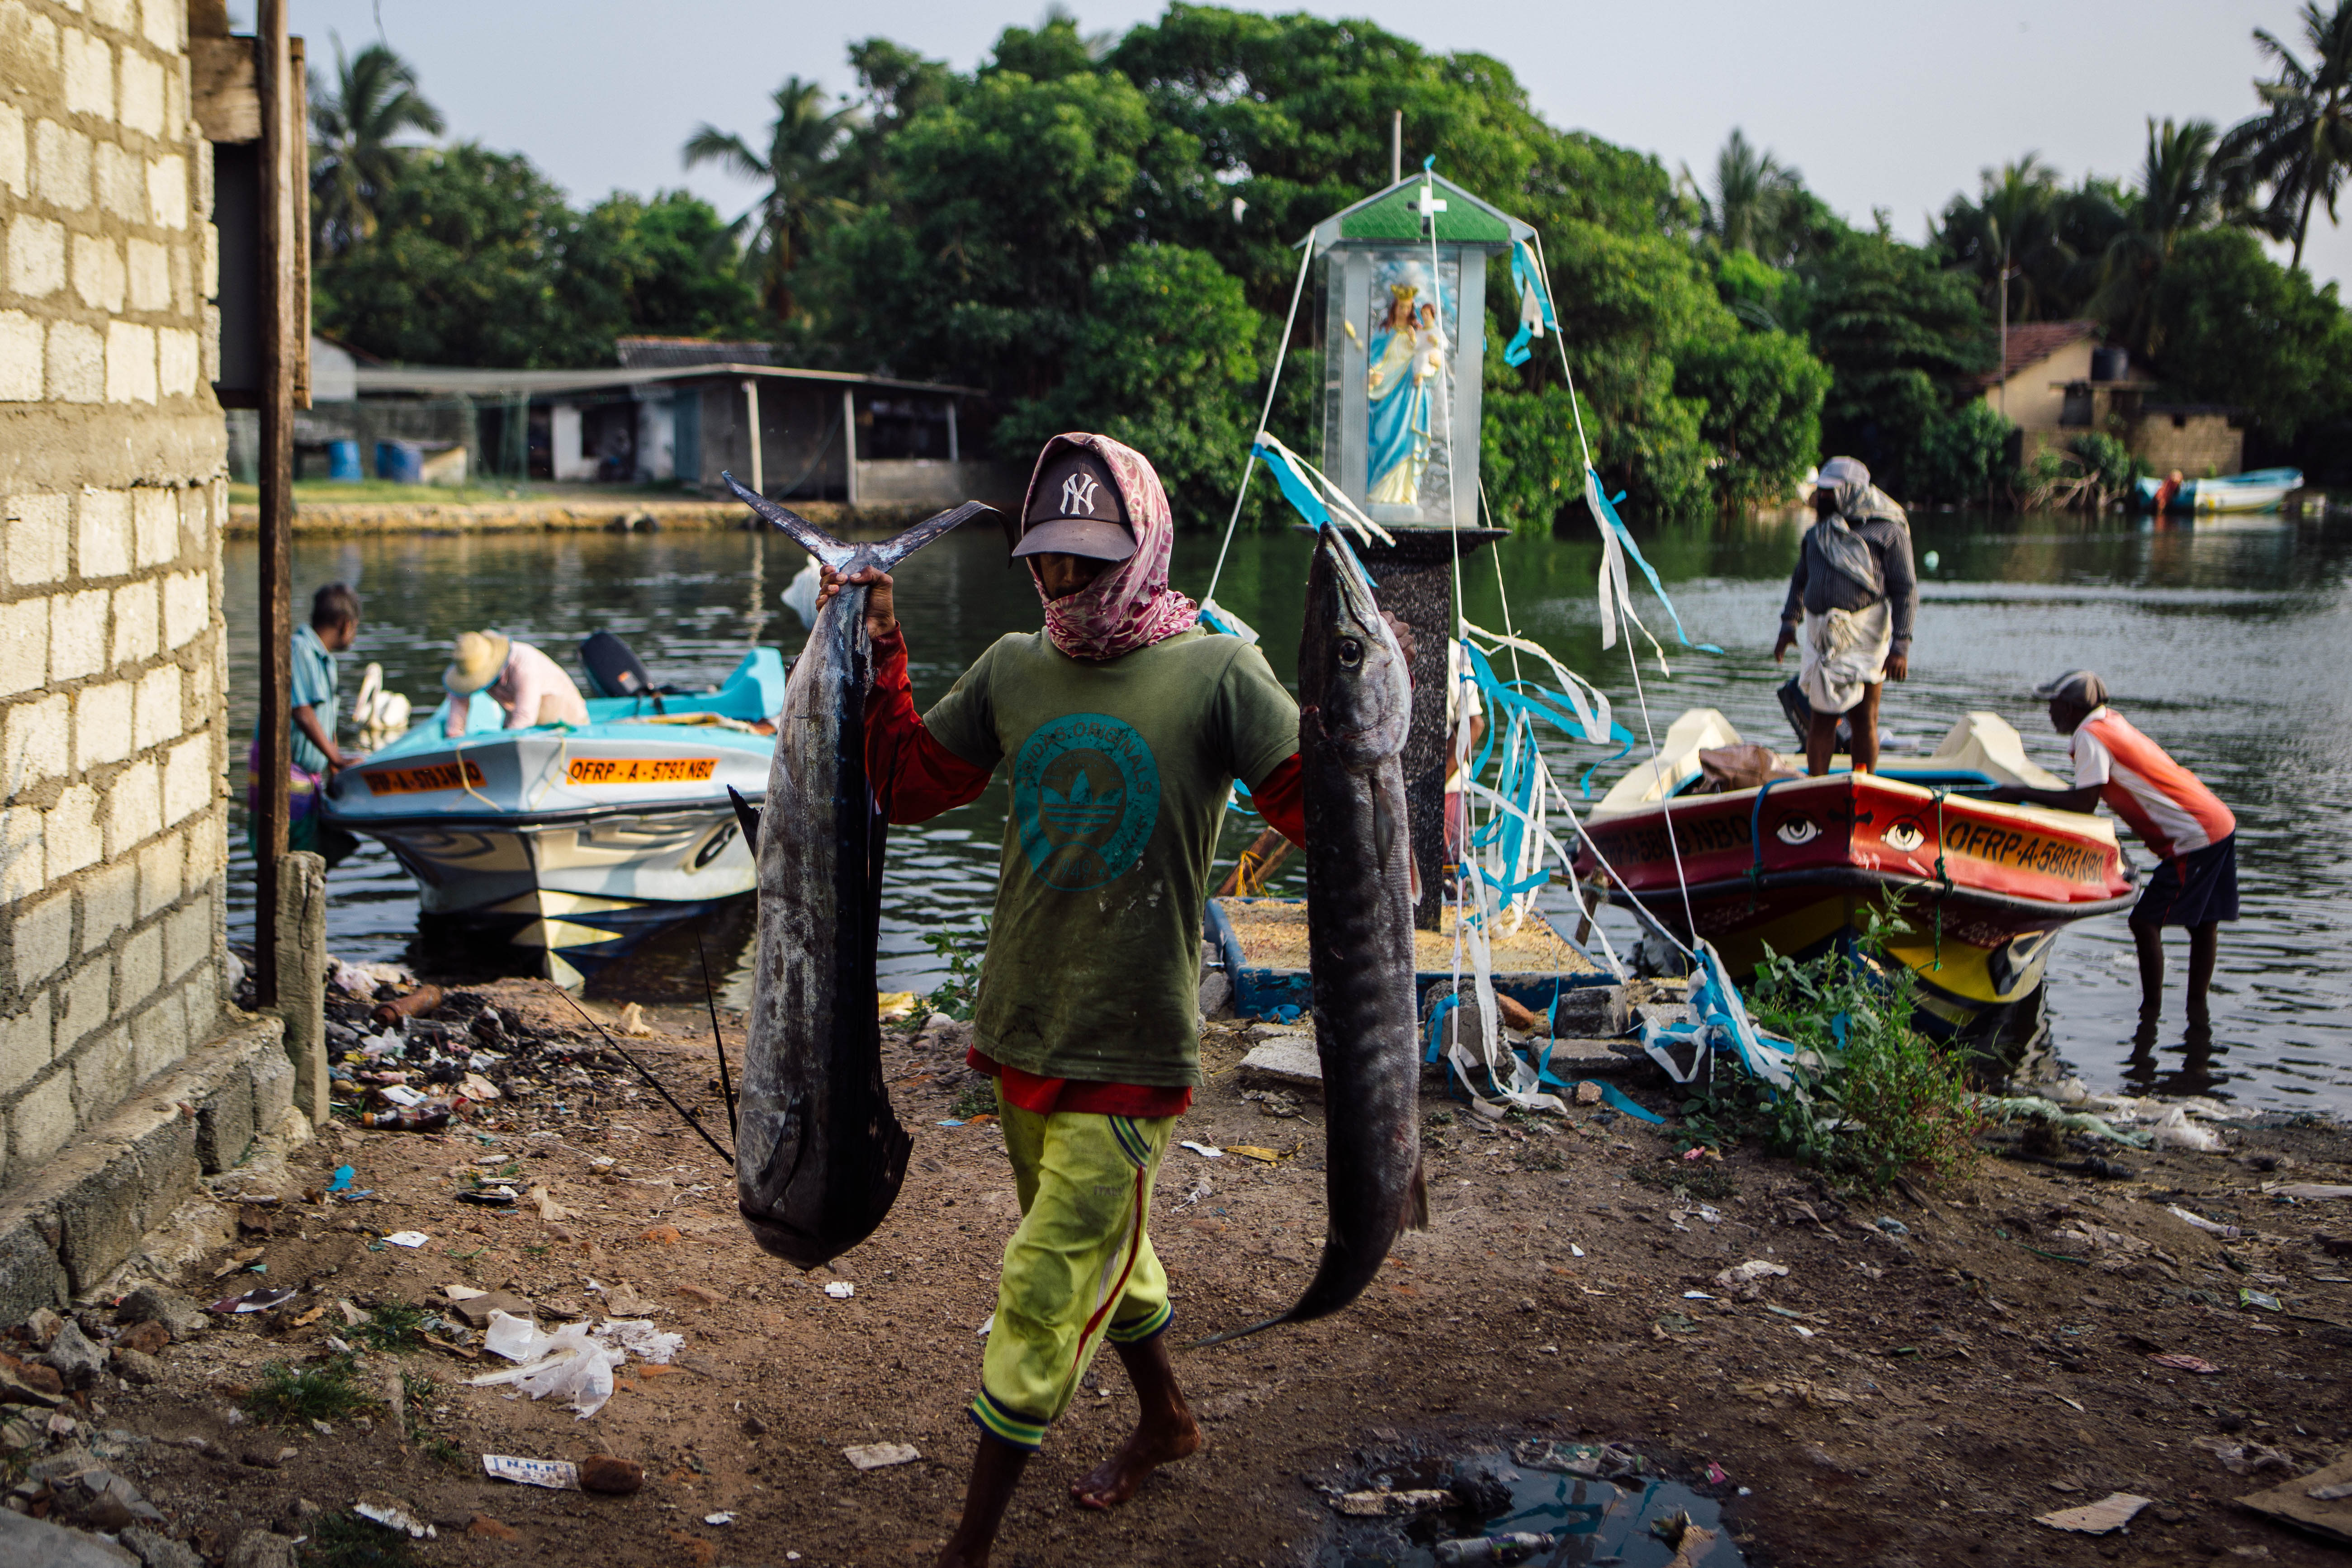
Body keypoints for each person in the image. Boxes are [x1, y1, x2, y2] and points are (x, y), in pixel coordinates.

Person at [817, 434, 1314, 1568]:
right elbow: (905, 783)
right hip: (1021, 1028)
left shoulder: (1221, 673)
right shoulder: (1012, 668)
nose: (1066, 587)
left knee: (1043, 1280)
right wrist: (881, 642)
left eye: (1089, 564)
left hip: (1136, 1044)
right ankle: (1168, 1419)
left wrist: (1378, 735)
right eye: (1048, 564)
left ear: (1143, 545)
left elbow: (1319, 810)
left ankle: (969, 1546)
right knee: (1103, 1253)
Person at [1988, 670, 2237, 1028]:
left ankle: (2150, 1013)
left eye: (2052, 706)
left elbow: (2083, 802)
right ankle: (2196, 1013)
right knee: (2203, 926)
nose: (2048, 713)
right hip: (2217, 821)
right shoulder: (2109, 721)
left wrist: (2020, 792)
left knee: (2143, 921)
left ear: (2073, 709)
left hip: (2194, 836)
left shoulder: (2089, 735)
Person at [1771, 455, 1917, 776]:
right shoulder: (1817, 534)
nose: (1821, 497)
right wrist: (1787, 626)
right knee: (1821, 719)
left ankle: (1863, 782)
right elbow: (1800, 580)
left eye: (1829, 492)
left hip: (1865, 637)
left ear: (1852, 492)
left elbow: (1905, 590)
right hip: (1822, 639)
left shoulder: (1888, 533)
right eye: (1821, 491)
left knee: (1865, 718)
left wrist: (1900, 647)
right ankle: (1817, 787)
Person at [248, 582, 363, 866]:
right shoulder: (300, 650)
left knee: (310, 855)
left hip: (307, 778)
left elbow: (326, 719)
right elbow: (302, 711)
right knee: (285, 855)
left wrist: (335, 766)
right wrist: (335, 756)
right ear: (345, 625)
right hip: (284, 771)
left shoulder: (326, 661)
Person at [441, 630, 589, 736]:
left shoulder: (525, 663)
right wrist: (456, 739)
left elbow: (525, 718)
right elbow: (456, 722)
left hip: (566, 720)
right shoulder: (469, 662)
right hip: (519, 719)